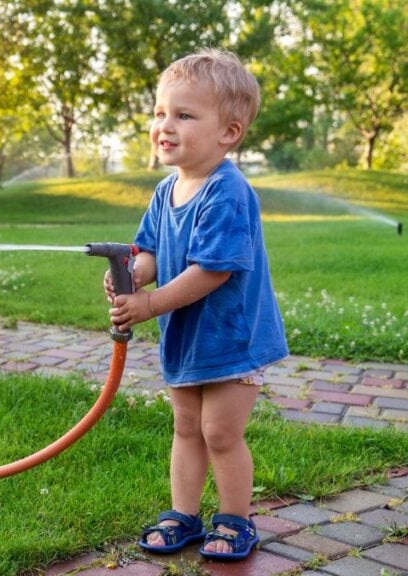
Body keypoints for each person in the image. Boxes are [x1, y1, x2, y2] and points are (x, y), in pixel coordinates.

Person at [103, 48, 288, 561]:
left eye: (184, 115)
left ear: (228, 132)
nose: (165, 125)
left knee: (219, 432)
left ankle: (235, 520)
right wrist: (132, 275)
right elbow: (151, 251)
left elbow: (214, 270)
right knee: (186, 427)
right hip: (188, 338)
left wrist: (150, 303)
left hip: (232, 336)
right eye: (161, 112)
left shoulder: (228, 191)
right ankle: (184, 514)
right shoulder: (166, 191)